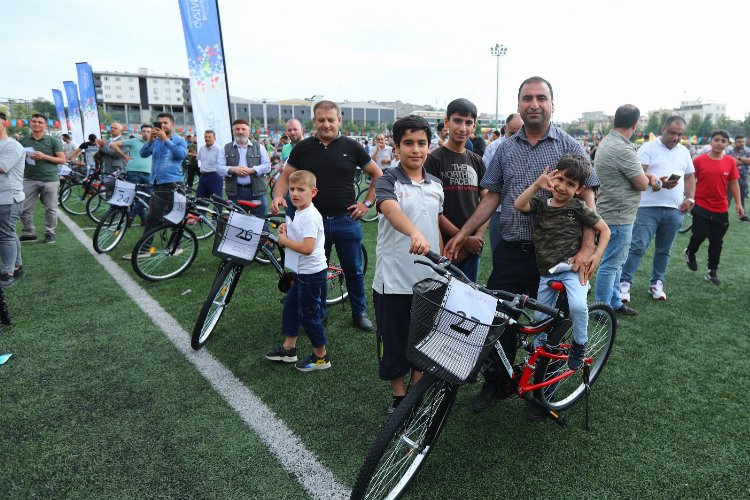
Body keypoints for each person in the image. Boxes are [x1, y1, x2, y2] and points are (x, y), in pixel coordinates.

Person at [443, 76, 600, 413]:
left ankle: (544, 389)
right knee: (500, 320)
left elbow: (588, 196)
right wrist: (464, 231)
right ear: (518, 105)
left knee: (556, 323)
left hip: (559, 257)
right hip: (513, 250)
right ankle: (496, 384)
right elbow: (493, 195)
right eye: (527, 98)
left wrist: (588, 247)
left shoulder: (571, 146)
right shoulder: (505, 148)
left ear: (552, 104)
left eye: (541, 98)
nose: (534, 104)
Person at [271, 100, 382, 331]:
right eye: (321, 120)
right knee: (316, 271)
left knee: (353, 270)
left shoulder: (352, 146)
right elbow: (284, 178)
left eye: (331, 119)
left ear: (339, 120)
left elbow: (377, 174)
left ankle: (359, 311)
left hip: (346, 220)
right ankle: (318, 312)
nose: (326, 124)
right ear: (315, 121)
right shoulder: (302, 148)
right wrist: (278, 196)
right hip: (313, 222)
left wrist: (367, 203)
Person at [372, 115, 442, 417]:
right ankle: (399, 398)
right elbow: (390, 209)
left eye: (422, 143)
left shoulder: (436, 184)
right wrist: (413, 232)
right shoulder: (387, 180)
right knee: (395, 340)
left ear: (429, 146)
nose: (416, 149)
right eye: (408, 143)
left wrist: (449, 245)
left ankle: (415, 394)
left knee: (424, 339)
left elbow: (434, 222)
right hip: (394, 280)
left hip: (429, 278)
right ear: (396, 147)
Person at [513, 154, 610, 372]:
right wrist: (538, 184)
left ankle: (579, 344)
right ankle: (540, 350)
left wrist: (596, 255)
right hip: (546, 272)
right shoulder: (540, 203)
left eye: (571, 184)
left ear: (579, 188)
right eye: (560, 179)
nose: (562, 187)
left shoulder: (578, 206)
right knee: (540, 318)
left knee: (577, 306)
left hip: (572, 271)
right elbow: (519, 204)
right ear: (553, 176)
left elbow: (604, 230)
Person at [619, 116, 695, 303]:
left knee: (664, 250)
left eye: (680, 134)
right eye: (672, 133)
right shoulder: (648, 147)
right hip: (647, 208)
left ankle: (657, 283)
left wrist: (691, 198)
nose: (675, 137)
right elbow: (637, 174)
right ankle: (624, 283)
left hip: (674, 209)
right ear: (663, 129)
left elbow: (690, 177)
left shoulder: (684, 151)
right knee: (637, 247)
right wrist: (657, 182)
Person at [593, 105, 661, 316]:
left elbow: (638, 175)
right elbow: (641, 183)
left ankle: (613, 303)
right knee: (611, 264)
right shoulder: (622, 148)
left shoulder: (608, 141)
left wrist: (646, 177)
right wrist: (653, 180)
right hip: (618, 214)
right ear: (635, 124)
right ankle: (602, 309)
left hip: (612, 210)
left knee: (615, 263)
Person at [265, 170, 330, 371]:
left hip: (311, 274)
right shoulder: (300, 211)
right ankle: (288, 349)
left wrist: (284, 241)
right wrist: (286, 230)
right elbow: (300, 236)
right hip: (302, 272)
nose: (295, 193)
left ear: (313, 192)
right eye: (292, 189)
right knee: (291, 307)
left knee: (309, 315)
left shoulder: (310, 215)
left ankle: (321, 357)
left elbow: (308, 248)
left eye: (301, 189)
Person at [424, 98, 487, 282]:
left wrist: (476, 239)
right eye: (457, 120)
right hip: (444, 245)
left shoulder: (476, 160)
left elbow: (487, 203)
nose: (462, 128)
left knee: (467, 301)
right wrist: (462, 239)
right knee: (440, 298)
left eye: (468, 123)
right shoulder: (433, 160)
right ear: (446, 123)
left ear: (474, 126)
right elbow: (432, 209)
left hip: (472, 247)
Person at [684, 130, 745, 285]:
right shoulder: (699, 161)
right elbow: (690, 179)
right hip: (701, 205)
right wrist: (688, 198)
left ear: (727, 144)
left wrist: (738, 204)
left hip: (721, 208)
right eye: (716, 140)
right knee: (700, 233)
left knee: (717, 241)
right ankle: (690, 252)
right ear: (710, 142)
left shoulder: (730, 161)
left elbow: (733, 183)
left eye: (723, 141)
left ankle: (712, 272)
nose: (719, 143)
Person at [19, 113, 66, 244]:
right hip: (29, 178)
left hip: (50, 179)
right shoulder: (23, 141)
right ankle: (29, 233)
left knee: (50, 208)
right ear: (30, 123)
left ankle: (50, 233)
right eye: (34, 121)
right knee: (23, 207)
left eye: (40, 122)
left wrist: (44, 156)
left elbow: (62, 159)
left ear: (45, 125)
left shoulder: (53, 140)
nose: (37, 124)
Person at [138, 112, 187, 234]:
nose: (163, 125)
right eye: (160, 123)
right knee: (152, 217)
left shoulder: (179, 140)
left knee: (175, 217)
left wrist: (165, 139)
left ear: (172, 125)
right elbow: (143, 154)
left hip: (174, 183)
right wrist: (150, 140)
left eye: (166, 123)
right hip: (157, 183)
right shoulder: (155, 141)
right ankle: (145, 249)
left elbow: (181, 155)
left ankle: (176, 246)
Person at [483, 113, 524, 254]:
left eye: (520, 133)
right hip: (499, 210)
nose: (516, 138)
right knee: (499, 254)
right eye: (512, 133)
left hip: (525, 211)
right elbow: (486, 183)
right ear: (505, 128)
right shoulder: (493, 148)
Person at [216, 119, 271, 219]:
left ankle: (262, 235)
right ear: (233, 131)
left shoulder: (259, 147)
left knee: (260, 223)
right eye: (237, 129)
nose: (240, 131)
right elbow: (219, 168)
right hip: (235, 192)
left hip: (257, 191)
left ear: (249, 131)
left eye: (243, 129)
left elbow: (267, 166)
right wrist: (232, 169)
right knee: (237, 224)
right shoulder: (225, 148)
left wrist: (252, 170)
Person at [0, 112, 25, 286]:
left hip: (8, 198)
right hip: (4, 197)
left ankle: (8, 273)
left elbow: (2, 168)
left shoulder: (12, 145)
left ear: (5, 123)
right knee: (8, 232)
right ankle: (17, 265)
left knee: (5, 235)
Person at [118, 124, 153, 231]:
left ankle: (133, 215)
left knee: (146, 196)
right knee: (137, 197)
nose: (146, 133)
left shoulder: (154, 143)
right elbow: (114, 144)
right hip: (133, 172)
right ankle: (139, 217)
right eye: (144, 131)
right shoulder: (134, 141)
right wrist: (125, 156)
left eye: (148, 131)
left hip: (148, 173)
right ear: (140, 132)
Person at [724, 135, 749, 221]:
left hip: (743, 178)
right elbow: (730, 162)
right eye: (739, 142)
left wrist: (739, 159)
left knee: (741, 197)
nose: (741, 143)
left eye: (743, 141)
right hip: (731, 178)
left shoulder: (748, 150)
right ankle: (724, 214)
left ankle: (742, 215)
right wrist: (744, 161)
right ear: (735, 142)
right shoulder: (729, 150)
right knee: (727, 196)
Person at [196, 130, 223, 200]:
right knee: (200, 199)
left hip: (214, 176)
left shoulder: (219, 149)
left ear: (214, 138)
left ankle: (218, 211)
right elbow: (200, 161)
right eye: (205, 137)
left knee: (217, 199)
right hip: (203, 176)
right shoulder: (202, 148)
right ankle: (201, 211)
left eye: (209, 137)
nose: (207, 139)